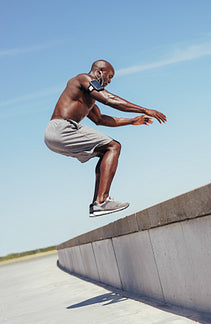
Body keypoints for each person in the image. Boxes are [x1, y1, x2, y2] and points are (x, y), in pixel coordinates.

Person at [44, 60, 167, 217]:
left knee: (105, 151)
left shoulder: (87, 98)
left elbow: (100, 119)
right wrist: (145, 109)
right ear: (99, 72)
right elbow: (109, 99)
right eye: (109, 77)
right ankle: (102, 201)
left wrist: (132, 121)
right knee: (113, 147)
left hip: (54, 134)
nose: (109, 81)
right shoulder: (83, 79)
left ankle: (98, 203)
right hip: (62, 127)